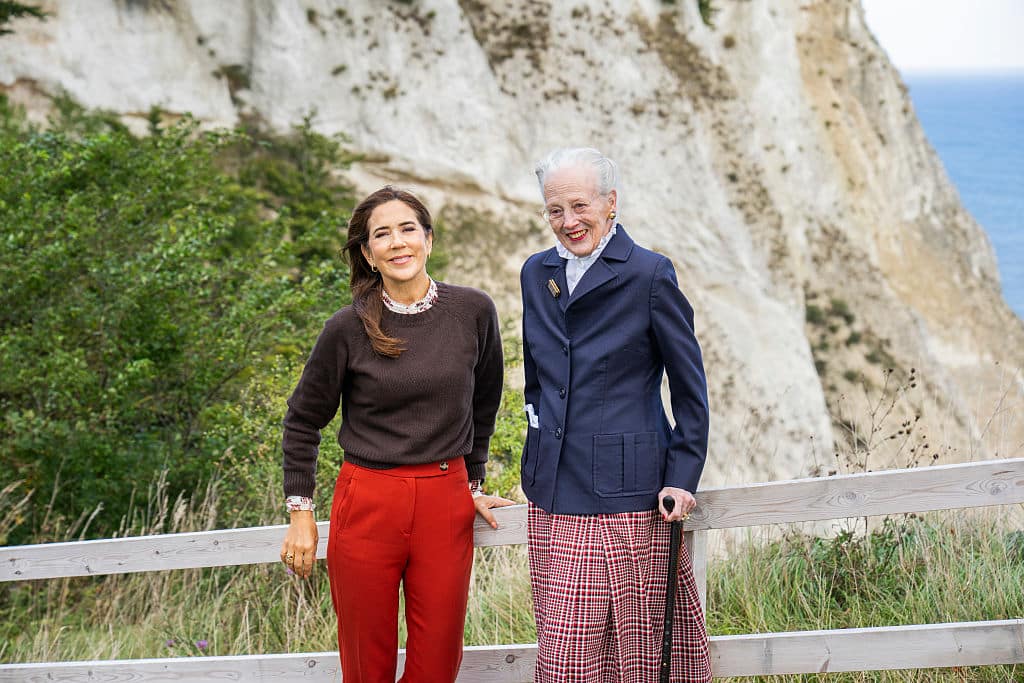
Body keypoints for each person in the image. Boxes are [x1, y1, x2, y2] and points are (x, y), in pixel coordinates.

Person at [279, 186, 514, 683]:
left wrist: (471, 484)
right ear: (368, 253)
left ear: (428, 238)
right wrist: (301, 512)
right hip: (367, 500)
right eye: (381, 234)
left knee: (437, 665)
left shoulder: (473, 311)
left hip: (444, 503)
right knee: (367, 664)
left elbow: (484, 403)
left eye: (407, 229)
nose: (397, 242)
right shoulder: (346, 329)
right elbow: (303, 419)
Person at [520, 148, 712, 682]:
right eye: (554, 210)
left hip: (632, 491)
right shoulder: (536, 273)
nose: (568, 221)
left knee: (642, 647)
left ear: (611, 203)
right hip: (553, 488)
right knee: (565, 653)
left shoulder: (650, 273)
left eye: (579, 205)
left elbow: (690, 388)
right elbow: (537, 376)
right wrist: (535, 444)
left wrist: (682, 475)